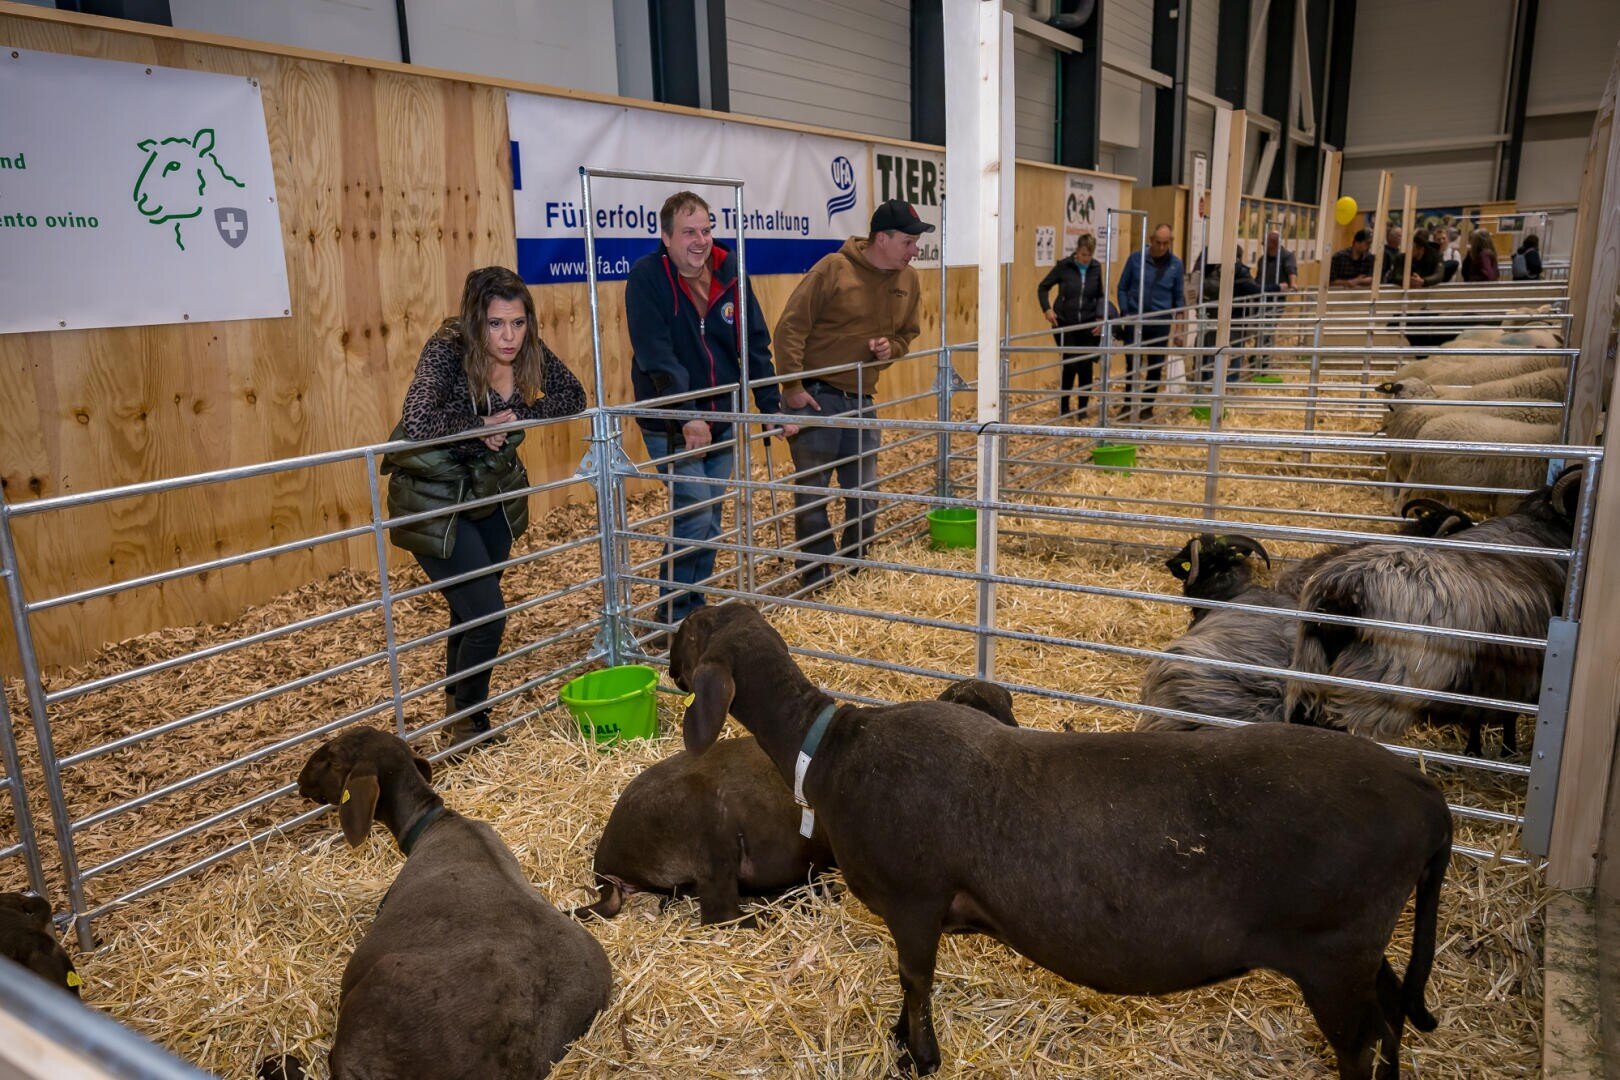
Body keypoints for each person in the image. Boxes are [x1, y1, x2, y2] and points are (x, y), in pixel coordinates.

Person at [384, 266, 586, 745]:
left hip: (487, 494)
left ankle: (456, 718)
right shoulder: (447, 349)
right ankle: (473, 722)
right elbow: (417, 419)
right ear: (476, 321)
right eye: (497, 324)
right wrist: (479, 424)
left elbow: (572, 395)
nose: (509, 336)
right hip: (434, 499)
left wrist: (519, 414)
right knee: (488, 615)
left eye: (517, 323)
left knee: (470, 611)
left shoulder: (525, 349)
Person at [626, 191, 791, 629]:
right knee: (696, 510)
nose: (700, 240)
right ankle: (676, 617)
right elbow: (655, 353)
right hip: (669, 419)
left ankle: (692, 607)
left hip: (722, 416)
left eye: (706, 229)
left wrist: (769, 404)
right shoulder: (647, 279)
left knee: (708, 519)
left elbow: (753, 341)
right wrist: (687, 413)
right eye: (688, 232)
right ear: (665, 237)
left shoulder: (729, 269)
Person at [774, 198, 926, 587]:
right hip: (816, 395)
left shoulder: (908, 281)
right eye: (908, 242)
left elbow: (908, 334)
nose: (915, 250)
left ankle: (857, 568)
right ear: (881, 238)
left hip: (861, 397)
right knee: (813, 491)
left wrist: (891, 349)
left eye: (915, 242)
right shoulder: (833, 269)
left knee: (864, 490)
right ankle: (816, 574)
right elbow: (791, 327)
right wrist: (792, 386)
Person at [1115, 223, 1184, 420]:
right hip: (1134, 320)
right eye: (1158, 243)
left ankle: (1147, 407)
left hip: (1160, 323)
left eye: (1165, 243)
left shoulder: (1176, 265)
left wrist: (1179, 329)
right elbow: (1122, 287)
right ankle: (1128, 404)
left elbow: (1179, 300)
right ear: (1151, 240)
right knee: (1132, 365)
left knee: (1155, 366)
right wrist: (1125, 311)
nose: (1161, 247)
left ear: (1170, 242)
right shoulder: (1136, 259)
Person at [1036, 232, 1107, 420]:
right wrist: (1047, 309)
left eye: (1089, 256)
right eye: (1083, 255)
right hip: (1066, 322)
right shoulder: (1064, 266)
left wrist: (1100, 316)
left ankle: (1082, 409)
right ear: (1077, 251)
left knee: (1086, 366)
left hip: (1088, 323)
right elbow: (1043, 287)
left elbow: (1100, 295)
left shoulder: (1096, 268)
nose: (1085, 259)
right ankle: (1064, 407)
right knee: (1070, 364)